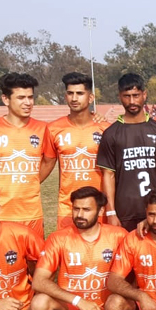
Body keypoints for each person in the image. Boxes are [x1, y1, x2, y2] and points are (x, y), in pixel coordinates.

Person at [30, 187, 129, 310]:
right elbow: (39, 282)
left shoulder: (119, 235)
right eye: (76, 209)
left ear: (100, 211)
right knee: (39, 302)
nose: (80, 214)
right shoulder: (58, 238)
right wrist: (77, 301)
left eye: (86, 209)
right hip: (71, 307)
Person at [0, 73, 56, 236]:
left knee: (34, 261)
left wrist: (32, 181)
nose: (28, 103)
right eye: (21, 98)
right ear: (6, 99)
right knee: (3, 260)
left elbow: (49, 160)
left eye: (30, 97)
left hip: (31, 213)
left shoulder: (43, 129)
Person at [96, 73, 156, 232]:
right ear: (120, 97)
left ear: (144, 95)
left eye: (136, 95)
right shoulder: (111, 134)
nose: (132, 101)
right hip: (125, 211)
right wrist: (111, 211)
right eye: (126, 96)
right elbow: (108, 175)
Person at [47, 72, 110, 230]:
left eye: (80, 93)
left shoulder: (106, 129)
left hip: (100, 205)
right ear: (65, 96)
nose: (74, 98)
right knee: (69, 251)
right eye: (70, 93)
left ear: (90, 98)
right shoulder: (53, 129)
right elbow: (46, 164)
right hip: (67, 207)